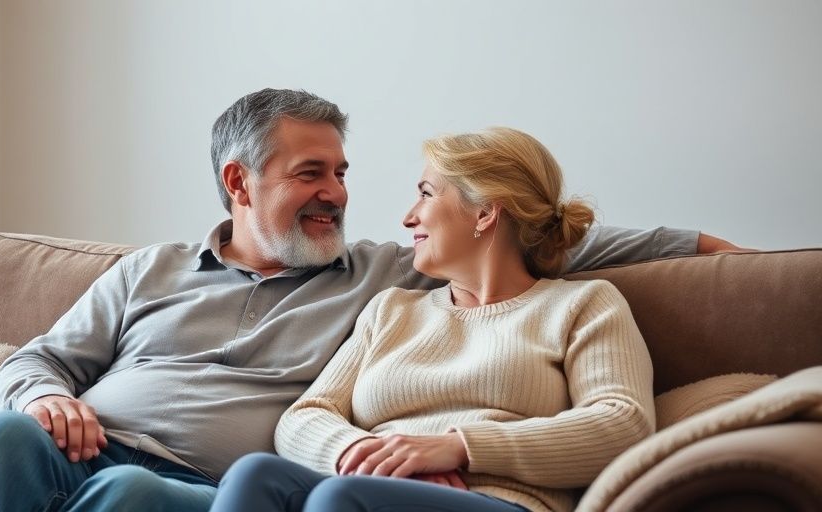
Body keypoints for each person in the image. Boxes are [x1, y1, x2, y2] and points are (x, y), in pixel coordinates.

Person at [0, 89, 734, 511]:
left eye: (342, 172)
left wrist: (699, 249)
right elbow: (37, 359)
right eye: (313, 173)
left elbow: (529, 230)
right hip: (87, 444)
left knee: (129, 497)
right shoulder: (149, 271)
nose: (339, 194)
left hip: (192, 482)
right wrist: (47, 395)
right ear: (240, 181)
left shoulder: (380, 276)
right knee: (4, 440)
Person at [209, 127, 655, 512]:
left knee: (340, 500)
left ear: (484, 212)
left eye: (425, 193)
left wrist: (456, 449)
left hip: (498, 500)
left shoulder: (582, 305)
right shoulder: (392, 309)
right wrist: (366, 454)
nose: (408, 217)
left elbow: (622, 421)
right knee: (256, 474)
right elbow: (306, 414)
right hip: (369, 488)